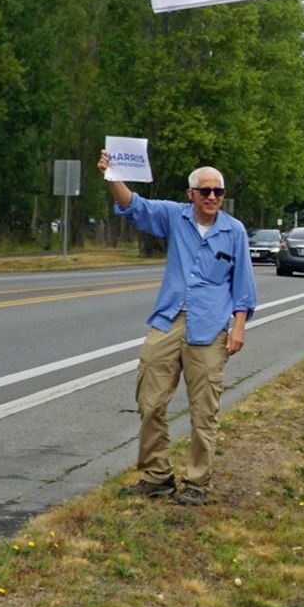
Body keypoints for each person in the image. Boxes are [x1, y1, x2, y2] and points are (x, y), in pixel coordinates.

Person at [101, 153, 257, 505]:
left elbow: (243, 287)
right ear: (191, 194)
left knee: (204, 410)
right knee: (150, 402)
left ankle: (197, 483)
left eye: (218, 192)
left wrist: (238, 328)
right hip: (168, 320)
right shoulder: (175, 216)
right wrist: (112, 175)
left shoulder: (234, 231)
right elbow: (133, 205)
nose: (212, 197)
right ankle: (156, 476)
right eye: (205, 191)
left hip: (210, 327)